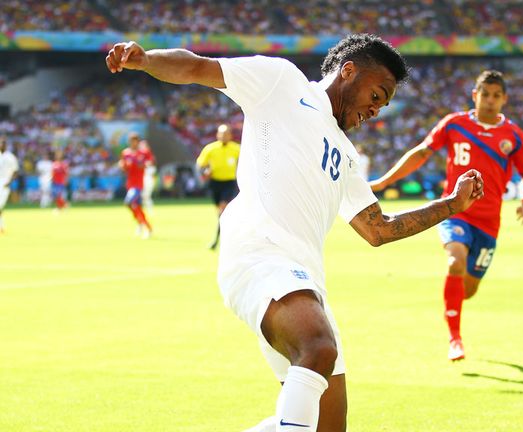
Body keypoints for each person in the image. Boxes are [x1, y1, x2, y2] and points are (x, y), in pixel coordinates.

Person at [106, 34, 484, 432]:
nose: (376, 110)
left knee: (327, 425)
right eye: (377, 95)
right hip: (258, 255)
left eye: (384, 104)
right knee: (318, 347)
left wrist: (451, 206)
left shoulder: (346, 154)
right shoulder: (281, 83)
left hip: (304, 283)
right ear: (349, 71)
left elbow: (379, 229)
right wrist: (146, 60)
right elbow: (198, 66)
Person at [369, 70, 523, 362]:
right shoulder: (454, 123)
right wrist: (384, 182)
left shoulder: (513, 135)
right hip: (454, 211)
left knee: (467, 290)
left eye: (496, 95)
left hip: (489, 222)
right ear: (475, 95)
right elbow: (422, 152)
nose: (490, 100)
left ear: (504, 99)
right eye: (485, 94)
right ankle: (455, 339)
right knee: (455, 261)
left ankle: (453, 307)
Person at [196, 124, 240, 249]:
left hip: (230, 184)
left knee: (223, 211)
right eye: (222, 133)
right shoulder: (210, 149)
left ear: (230, 135)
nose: (224, 136)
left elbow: (246, 163)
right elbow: (200, 165)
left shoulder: (237, 149)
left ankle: (218, 241)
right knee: (220, 214)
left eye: (226, 133)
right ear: (217, 135)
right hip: (215, 184)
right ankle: (224, 237)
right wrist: (205, 172)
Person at [119, 132, 153, 238]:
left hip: (138, 184)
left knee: (128, 202)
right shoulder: (126, 153)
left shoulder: (143, 152)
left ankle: (143, 225)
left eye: (134, 141)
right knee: (136, 206)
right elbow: (123, 165)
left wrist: (143, 165)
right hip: (130, 183)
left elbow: (150, 162)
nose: (133, 143)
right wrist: (122, 165)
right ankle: (145, 226)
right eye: (131, 141)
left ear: (138, 142)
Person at [0, 137, 19, 233]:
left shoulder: (10, 157)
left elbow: (15, 171)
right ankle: (2, 226)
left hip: (4, 183)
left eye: (2, 143)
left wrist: (9, 182)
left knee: (0, 205)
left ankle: (2, 226)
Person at [139, 139, 157, 213]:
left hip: (148, 178)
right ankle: (145, 211)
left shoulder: (149, 155)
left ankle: (149, 210)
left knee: (146, 195)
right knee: (142, 196)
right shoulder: (138, 155)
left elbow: (152, 168)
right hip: (140, 178)